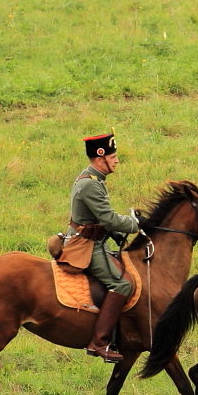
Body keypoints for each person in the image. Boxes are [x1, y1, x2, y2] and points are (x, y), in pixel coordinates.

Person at [66, 133, 143, 363]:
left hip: (95, 239)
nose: (117, 161)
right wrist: (136, 224)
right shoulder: (91, 184)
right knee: (122, 284)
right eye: (113, 156)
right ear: (101, 157)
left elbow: (100, 219)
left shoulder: (93, 179)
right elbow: (108, 219)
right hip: (87, 245)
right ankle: (98, 342)